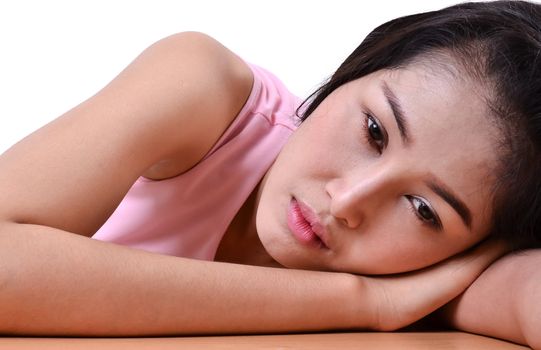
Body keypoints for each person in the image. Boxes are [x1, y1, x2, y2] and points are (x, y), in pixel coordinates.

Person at [0, 0, 539, 347]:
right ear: (355, 70)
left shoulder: (431, 269)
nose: (349, 200)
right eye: (374, 131)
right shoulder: (204, 88)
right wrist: (363, 303)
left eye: (424, 209)